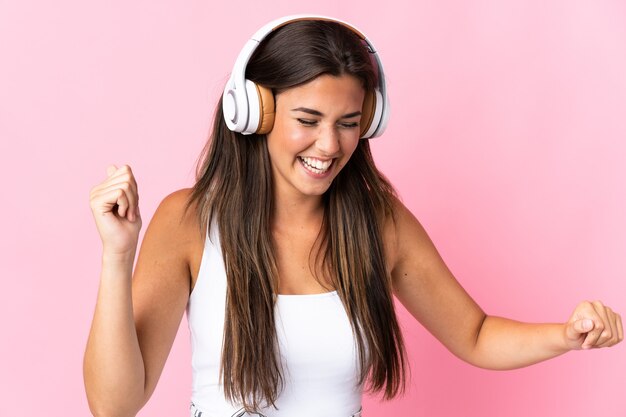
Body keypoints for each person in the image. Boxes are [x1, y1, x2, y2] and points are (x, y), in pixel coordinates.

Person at [83, 15, 623, 417]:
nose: (328, 144)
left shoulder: (378, 224)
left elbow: (476, 335)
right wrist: (117, 254)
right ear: (254, 112)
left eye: (347, 122)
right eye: (307, 118)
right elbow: (114, 406)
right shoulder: (190, 221)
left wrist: (568, 334)